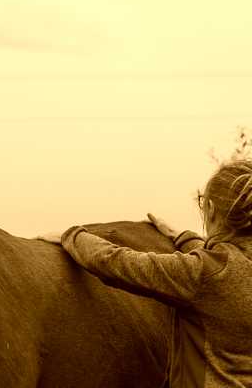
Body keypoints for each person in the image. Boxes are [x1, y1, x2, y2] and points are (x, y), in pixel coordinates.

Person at [37, 159, 252, 388]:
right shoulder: (220, 270)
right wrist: (184, 237)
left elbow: (116, 263)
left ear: (210, 208)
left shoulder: (203, 274)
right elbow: (225, 267)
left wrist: (72, 236)